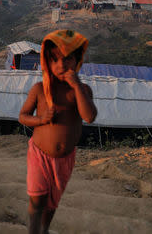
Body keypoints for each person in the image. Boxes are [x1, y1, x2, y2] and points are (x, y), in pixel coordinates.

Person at [18, 29, 97, 234]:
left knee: (52, 202)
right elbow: (23, 116)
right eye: (54, 59)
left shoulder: (82, 91)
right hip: (39, 154)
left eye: (67, 58)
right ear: (46, 62)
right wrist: (41, 120)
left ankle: (44, 229)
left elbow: (89, 116)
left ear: (77, 60)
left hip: (65, 159)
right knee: (37, 199)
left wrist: (77, 86)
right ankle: (33, 231)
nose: (61, 65)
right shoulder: (39, 90)